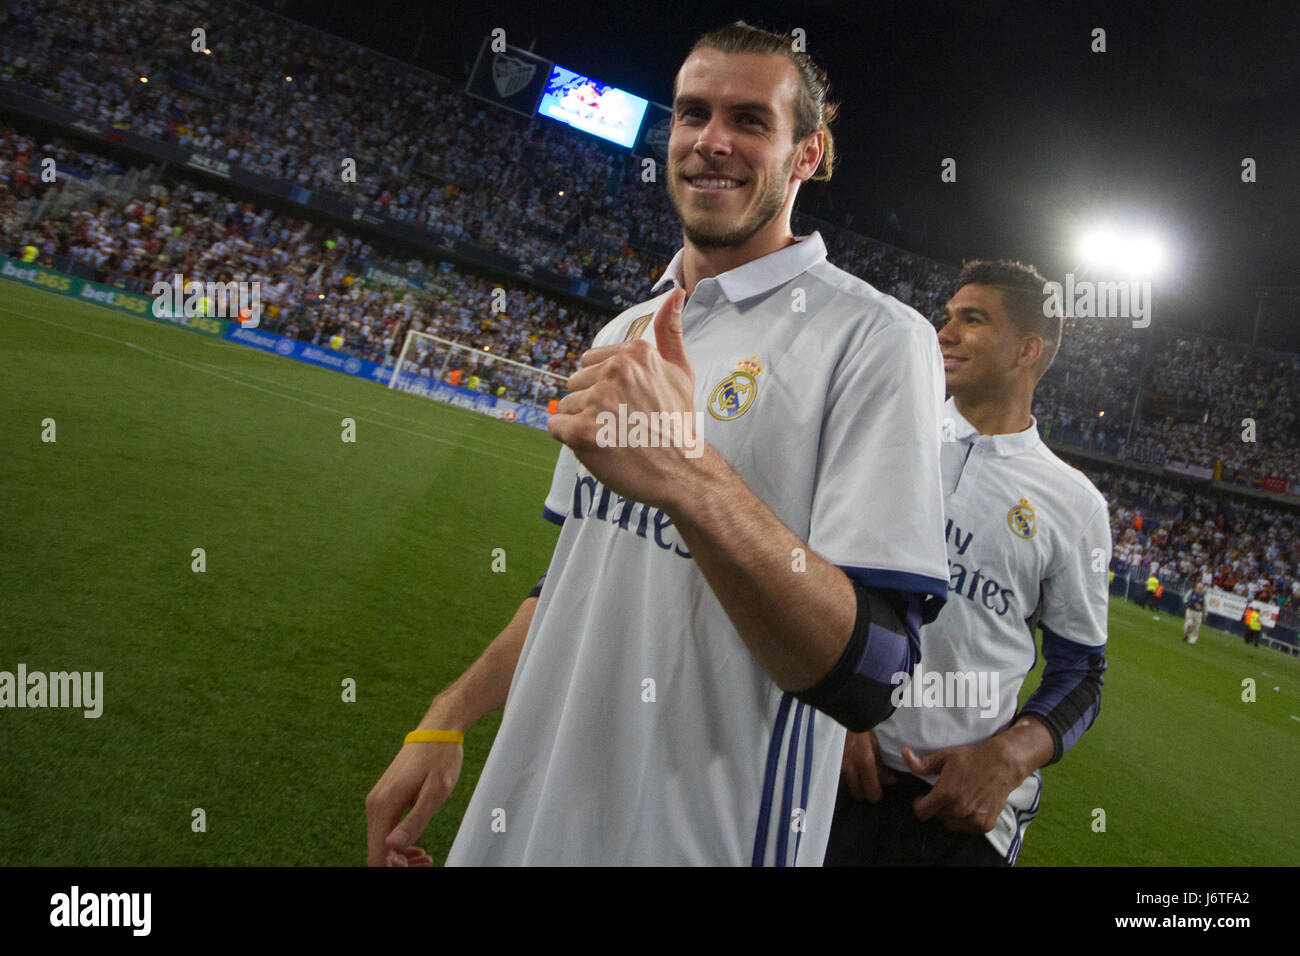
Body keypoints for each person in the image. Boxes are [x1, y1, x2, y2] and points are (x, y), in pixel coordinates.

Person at [364, 21, 950, 866]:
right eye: (692, 114)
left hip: (696, 836)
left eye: (750, 120)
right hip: (523, 816)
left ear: (807, 155)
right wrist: (447, 714)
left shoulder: (875, 339)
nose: (712, 141)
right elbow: (575, 571)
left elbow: (874, 676)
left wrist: (691, 474)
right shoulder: (628, 328)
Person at [825, 260, 1111, 866]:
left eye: (971, 321)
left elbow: (1081, 672)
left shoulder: (1075, 505)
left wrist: (1006, 758)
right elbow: (806, 577)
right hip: (833, 772)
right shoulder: (884, 430)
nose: (943, 333)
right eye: (946, 317)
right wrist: (839, 711)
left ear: (1027, 349)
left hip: (963, 813)